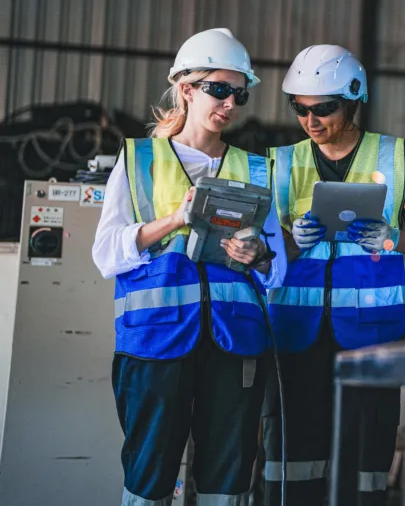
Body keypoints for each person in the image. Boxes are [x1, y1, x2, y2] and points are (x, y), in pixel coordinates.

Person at [92, 28, 288, 506]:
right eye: (218, 89)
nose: (230, 103)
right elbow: (105, 254)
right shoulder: (139, 160)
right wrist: (174, 220)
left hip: (234, 343)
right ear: (186, 88)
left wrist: (257, 256)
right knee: (149, 473)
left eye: (238, 93)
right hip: (156, 342)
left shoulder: (256, 168)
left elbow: (277, 268)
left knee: (229, 475)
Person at [262, 44, 405, 506]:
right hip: (294, 334)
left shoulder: (395, 157)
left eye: (324, 108)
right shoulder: (280, 162)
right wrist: (290, 239)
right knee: (291, 458)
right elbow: (257, 250)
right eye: (300, 109)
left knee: (365, 459)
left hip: (370, 339)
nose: (311, 120)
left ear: (355, 98)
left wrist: (392, 236)